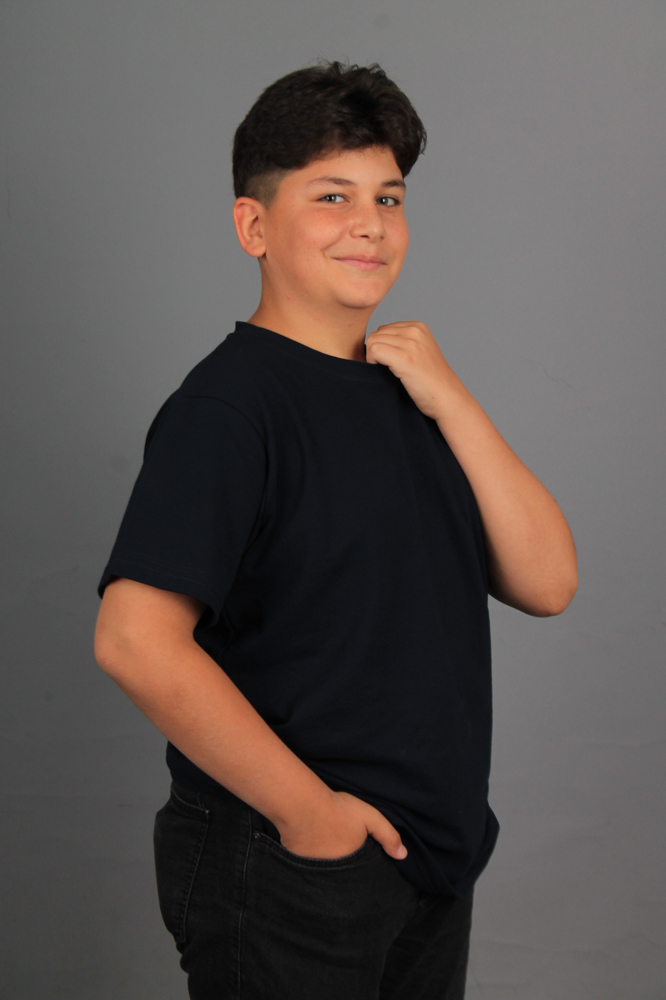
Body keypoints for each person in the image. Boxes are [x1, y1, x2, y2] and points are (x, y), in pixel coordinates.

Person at [94, 60, 578, 1000]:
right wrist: (311, 818)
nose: (370, 223)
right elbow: (134, 640)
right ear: (253, 227)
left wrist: (453, 399)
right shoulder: (230, 408)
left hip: (427, 855)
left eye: (388, 197)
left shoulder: (414, 397)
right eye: (332, 195)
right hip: (292, 859)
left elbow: (548, 581)